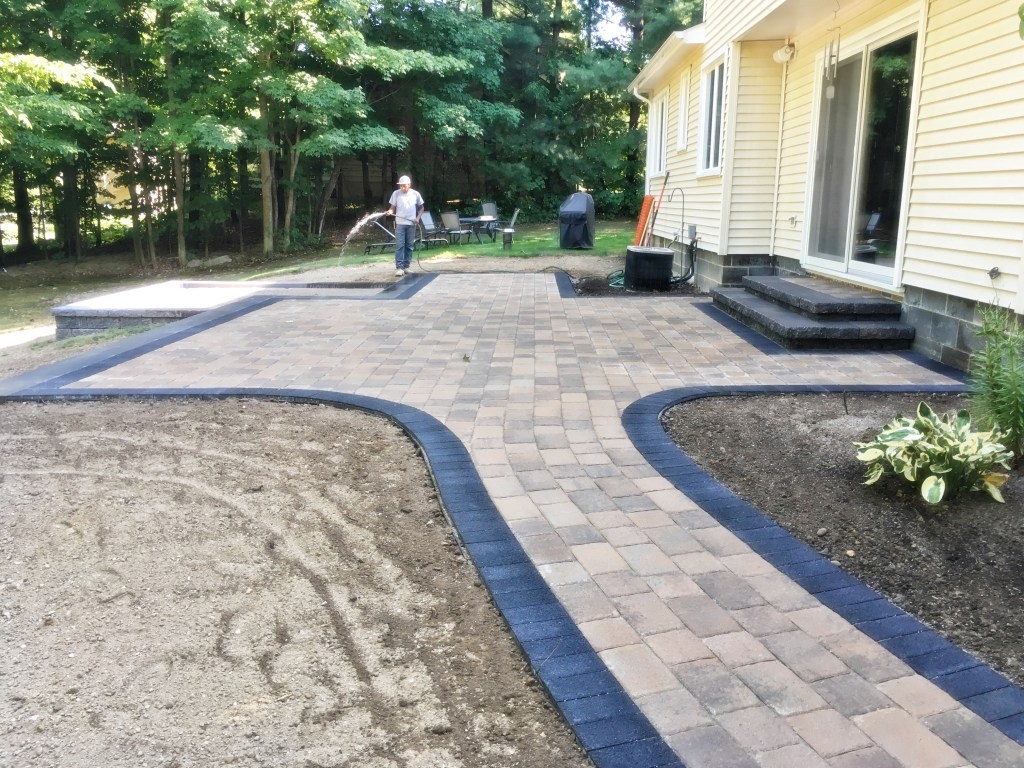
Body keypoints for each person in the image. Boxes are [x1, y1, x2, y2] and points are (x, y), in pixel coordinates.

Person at [383, 175, 424, 277]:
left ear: (409, 185)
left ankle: (406, 267)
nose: (402, 188)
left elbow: (421, 208)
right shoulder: (396, 194)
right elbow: (392, 208)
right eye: (401, 186)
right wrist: (389, 212)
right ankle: (399, 268)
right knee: (400, 245)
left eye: (404, 186)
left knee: (409, 246)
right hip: (400, 224)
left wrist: (417, 218)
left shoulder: (416, 194)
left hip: (411, 224)